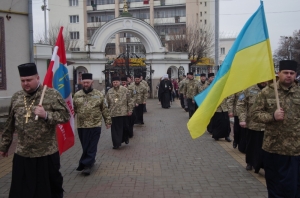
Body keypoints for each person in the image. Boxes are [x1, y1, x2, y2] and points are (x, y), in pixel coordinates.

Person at [0, 63, 70, 198]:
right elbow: (9, 124)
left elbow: (65, 116)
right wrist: (4, 146)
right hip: (23, 153)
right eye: (23, 81)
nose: (25, 83)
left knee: (48, 190)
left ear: (37, 78)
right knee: (22, 190)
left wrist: (47, 115)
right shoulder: (17, 97)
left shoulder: (51, 94)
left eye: (29, 80)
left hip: (46, 153)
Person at [251, 60, 300, 197]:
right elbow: (254, 115)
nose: (288, 75)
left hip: (295, 150)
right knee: (275, 186)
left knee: (293, 187)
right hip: (273, 148)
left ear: (296, 74)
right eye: (285, 72)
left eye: (292, 73)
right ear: (279, 73)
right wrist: (272, 116)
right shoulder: (267, 92)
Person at [73, 73, 111, 175]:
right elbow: (73, 110)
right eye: (84, 82)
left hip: (95, 125)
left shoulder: (99, 94)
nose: (85, 84)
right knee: (85, 146)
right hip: (81, 125)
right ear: (81, 82)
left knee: (92, 145)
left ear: (92, 83)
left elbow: (104, 109)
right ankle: (90, 160)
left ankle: (87, 165)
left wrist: (108, 121)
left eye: (87, 82)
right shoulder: (77, 95)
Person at [236, 82, 267, 173]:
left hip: (268, 125)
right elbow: (241, 105)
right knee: (252, 145)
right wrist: (242, 119)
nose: (264, 81)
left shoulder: (272, 90)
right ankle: (250, 162)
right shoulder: (249, 89)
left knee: (266, 147)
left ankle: (263, 165)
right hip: (253, 124)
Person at [106, 76, 134, 149]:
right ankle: (116, 144)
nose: (115, 83)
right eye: (114, 82)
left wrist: (130, 110)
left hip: (123, 113)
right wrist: (107, 112)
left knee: (124, 128)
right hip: (113, 113)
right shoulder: (110, 91)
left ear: (120, 82)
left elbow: (130, 100)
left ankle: (125, 138)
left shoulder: (125, 90)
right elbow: (107, 102)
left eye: (116, 82)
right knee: (115, 130)